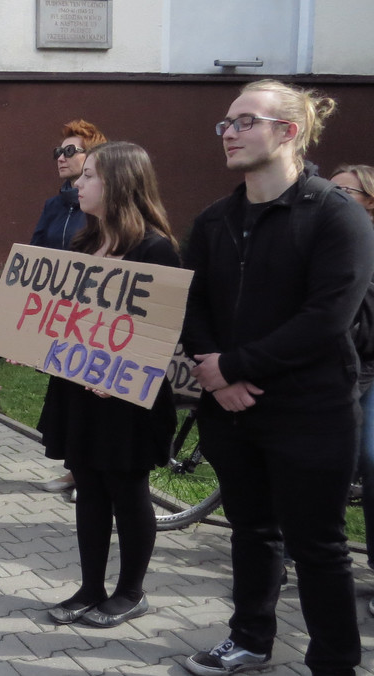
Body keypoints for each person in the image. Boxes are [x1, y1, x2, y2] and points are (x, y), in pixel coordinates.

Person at [181, 80, 374, 676]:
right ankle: (250, 640)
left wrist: (234, 367)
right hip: (230, 411)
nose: (229, 133)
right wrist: (217, 379)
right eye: (226, 124)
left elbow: (326, 318)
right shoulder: (214, 220)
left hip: (311, 412)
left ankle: (335, 662)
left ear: (288, 132)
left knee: (318, 547)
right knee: (251, 531)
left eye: (244, 122)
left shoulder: (337, 216)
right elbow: (193, 304)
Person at [38, 142, 179, 628]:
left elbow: (164, 333)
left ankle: (130, 591)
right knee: (89, 486)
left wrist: (120, 375)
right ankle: (90, 587)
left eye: (91, 176)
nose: (79, 183)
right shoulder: (81, 244)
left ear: (119, 185)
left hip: (127, 400)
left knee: (126, 488)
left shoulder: (156, 249)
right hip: (79, 392)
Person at [30, 119, 108, 495]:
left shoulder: (98, 206)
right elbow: (35, 256)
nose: (61, 157)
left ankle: (89, 472)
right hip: (56, 315)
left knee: (89, 392)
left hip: (90, 318)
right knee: (66, 395)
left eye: (70, 151)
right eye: (57, 152)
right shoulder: (53, 205)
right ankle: (75, 469)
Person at [330, 164, 374, 618]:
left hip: (368, 370)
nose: (335, 197)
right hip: (327, 368)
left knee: (372, 456)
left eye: (345, 191)